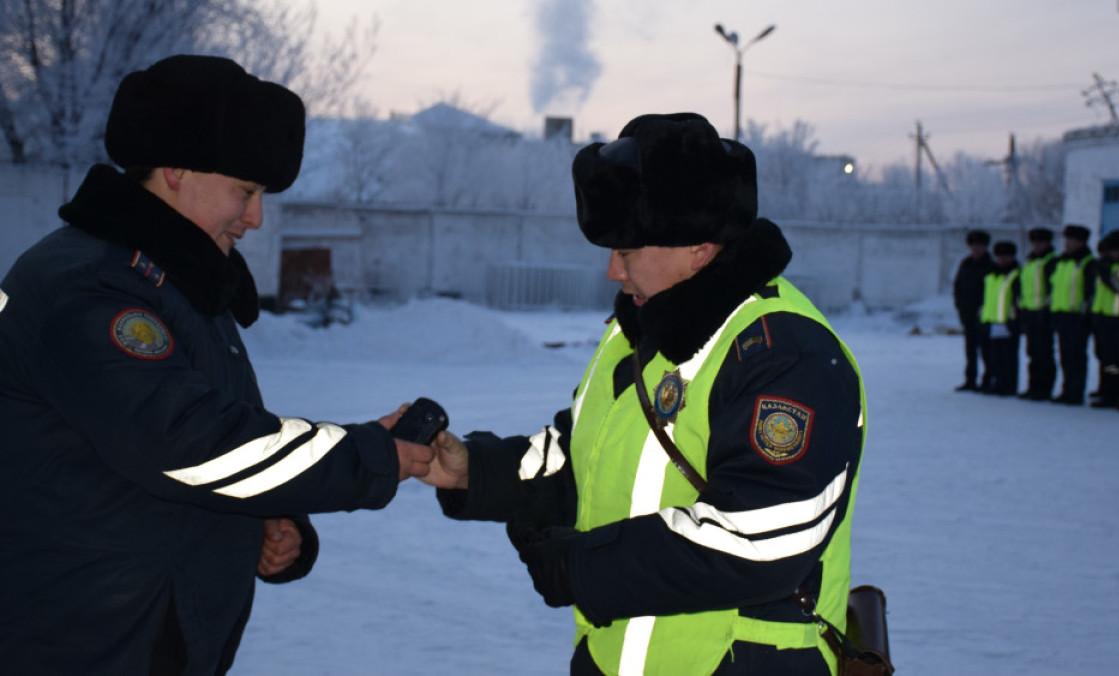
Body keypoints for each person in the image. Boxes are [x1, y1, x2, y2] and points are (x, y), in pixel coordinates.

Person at [0, 55, 434, 675]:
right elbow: (194, 446)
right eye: (245, 191)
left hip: (142, 631)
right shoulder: (92, 287)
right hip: (78, 639)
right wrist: (368, 455)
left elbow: (197, 455)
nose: (256, 217)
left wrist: (267, 521)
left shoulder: (171, 282)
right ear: (176, 169)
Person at [420, 113, 866, 675]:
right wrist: (476, 470)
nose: (612, 270)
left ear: (698, 247)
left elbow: (764, 535)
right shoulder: (642, 331)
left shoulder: (783, 353)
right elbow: (582, 457)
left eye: (627, 251)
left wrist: (582, 568)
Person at [1089, 230, 1119, 409]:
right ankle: (1110, 393)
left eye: (1118, 250)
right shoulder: (1106, 265)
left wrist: (1106, 276)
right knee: (1108, 360)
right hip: (1105, 317)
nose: (1114, 253)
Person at [1046, 224, 1095, 405]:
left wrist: (1085, 313)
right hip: (1061, 314)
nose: (1067, 243)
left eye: (1072, 240)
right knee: (1065, 355)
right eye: (1066, 240)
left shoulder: (1087, 263)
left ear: (1081, 242)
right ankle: (1067, 389)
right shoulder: (1061, 263)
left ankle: (1076, 391)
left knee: (1076, 356)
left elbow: (1090, 291)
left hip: (1077, 316)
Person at [1017, 227, 1056, 400]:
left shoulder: (1051, 261)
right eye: (1034, 242)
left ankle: (1044, 388)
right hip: (1030, 312)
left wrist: (1046, 308)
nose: (1037, 245)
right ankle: (1033, 386)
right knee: (1032, 353)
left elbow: (1054, 288)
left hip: (1044, 313)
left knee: (1044, 353)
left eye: (1040, 242)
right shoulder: (1030, 262)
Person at [979, 240, 1020, 396]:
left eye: (1006, 256)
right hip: (991, 320)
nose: (1002, 259)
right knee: (993, 356)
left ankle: (1008, 386)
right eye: (1000, 256)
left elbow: (1017, 300)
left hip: (1007, 322)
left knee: (1008, 356)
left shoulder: (1015, 274)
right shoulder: (991, 275)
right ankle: (997, 382)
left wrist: (1013, 320)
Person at [954, 229, 993, 392]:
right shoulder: (966, 264)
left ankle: (988, 380)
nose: (976, 249)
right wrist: (960, 307)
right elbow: (958, 287)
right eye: (974, 246)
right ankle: (970, 379)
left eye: (980, 245)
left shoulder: (991, 266)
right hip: (968, 315)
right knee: (970, 351)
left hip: (985, 316)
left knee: (987, 351)